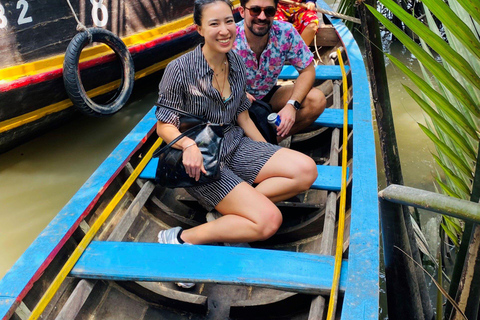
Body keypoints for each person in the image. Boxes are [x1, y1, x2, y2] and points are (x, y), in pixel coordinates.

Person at [155, 0, 317, 262]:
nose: (224, 30)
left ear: (235, 21)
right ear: (199, 29)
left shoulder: (235, 63)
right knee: (269, 221)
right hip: (204, 159)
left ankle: (232, 213)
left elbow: (242, 115)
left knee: (306, 169)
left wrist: (269, 151)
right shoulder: (179, 69)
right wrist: (189, 146)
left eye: (228, 22)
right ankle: (180, 238)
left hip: (235, 143)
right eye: (214, 24)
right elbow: (164, 125)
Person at [233, 0, 326, 140]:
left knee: (316, 100)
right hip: (236, 100)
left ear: (275, 12)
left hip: (267, 93)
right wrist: (237, 93)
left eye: (269, 11)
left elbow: (307, 70)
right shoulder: (229, 37)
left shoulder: (285, 32)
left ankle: (272, 140)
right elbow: (211, 78)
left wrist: (292, 105)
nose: (262, 17)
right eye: (255, 10)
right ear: (242, 11)